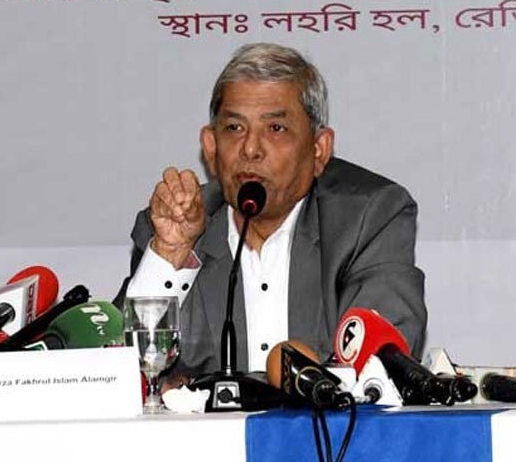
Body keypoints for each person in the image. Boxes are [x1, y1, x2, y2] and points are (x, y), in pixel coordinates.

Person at [119, 43, 426, 377]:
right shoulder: (176, 225)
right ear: (210, 146)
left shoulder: (368, 216)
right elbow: (118, 371)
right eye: (234, 128)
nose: (250, 149)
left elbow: (378, 363)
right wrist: (172, 253)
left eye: (276, 128)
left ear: (319, 149)